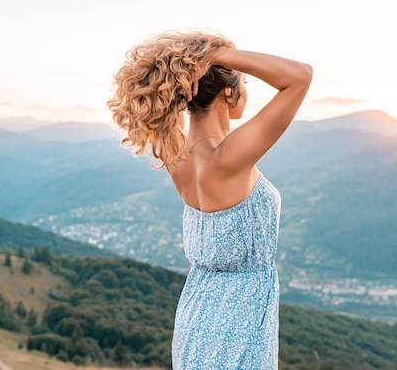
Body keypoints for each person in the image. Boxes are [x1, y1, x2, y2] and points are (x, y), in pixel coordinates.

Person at [107, 31, 312, 369]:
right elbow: (300, 77)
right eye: (243, 82)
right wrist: (216, 55)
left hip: (196, 313)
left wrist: (192, 63)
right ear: (229, 92)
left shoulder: (176, 153)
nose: (245, 89)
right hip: (239, 320)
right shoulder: (226, 158)